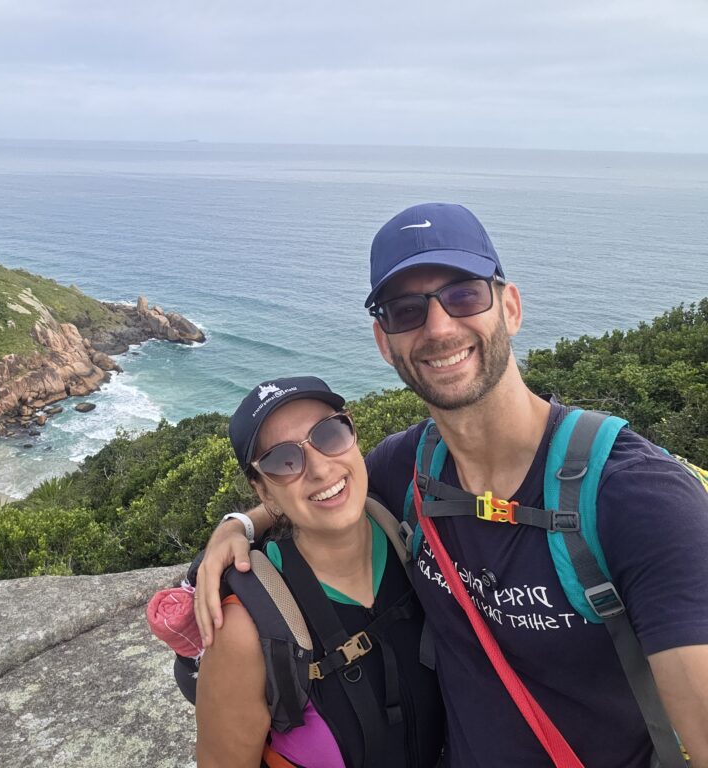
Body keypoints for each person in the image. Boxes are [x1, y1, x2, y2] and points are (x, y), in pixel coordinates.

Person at [194, 203, 708, 767]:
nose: (438, 328)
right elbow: (324, 485)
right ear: (383, 341)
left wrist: (241, 521)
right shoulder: (407, 468)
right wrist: (240, 523)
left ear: (509, 306)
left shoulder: (638, 499)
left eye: (464, 295)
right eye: (405, 310)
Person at [196, 375, 446, 767]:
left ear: (352, 432)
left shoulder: (408, 523)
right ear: (262, 489)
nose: (319, 469)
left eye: (328, 435)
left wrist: (237, 524)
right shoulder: (247, 629)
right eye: (283, 459)